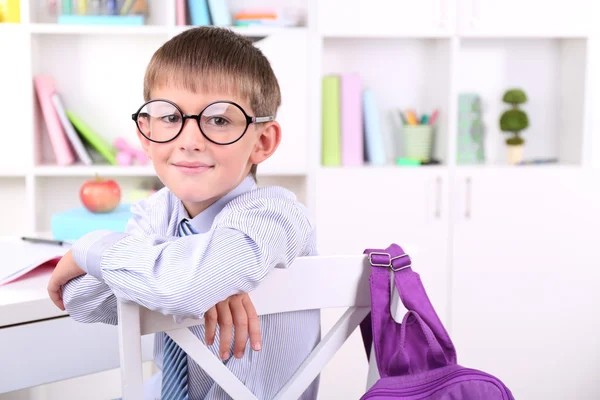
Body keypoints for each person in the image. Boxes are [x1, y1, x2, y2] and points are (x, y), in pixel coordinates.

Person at [47, 26, 320, 400]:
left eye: (219, 120)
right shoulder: (157, 211)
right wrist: (197, 278)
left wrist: (90, 249)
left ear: (262, 141)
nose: (189, 141)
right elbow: (80, 296)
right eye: (170, 118)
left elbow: (182, 287)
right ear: (145, 133)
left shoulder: (276, 215)